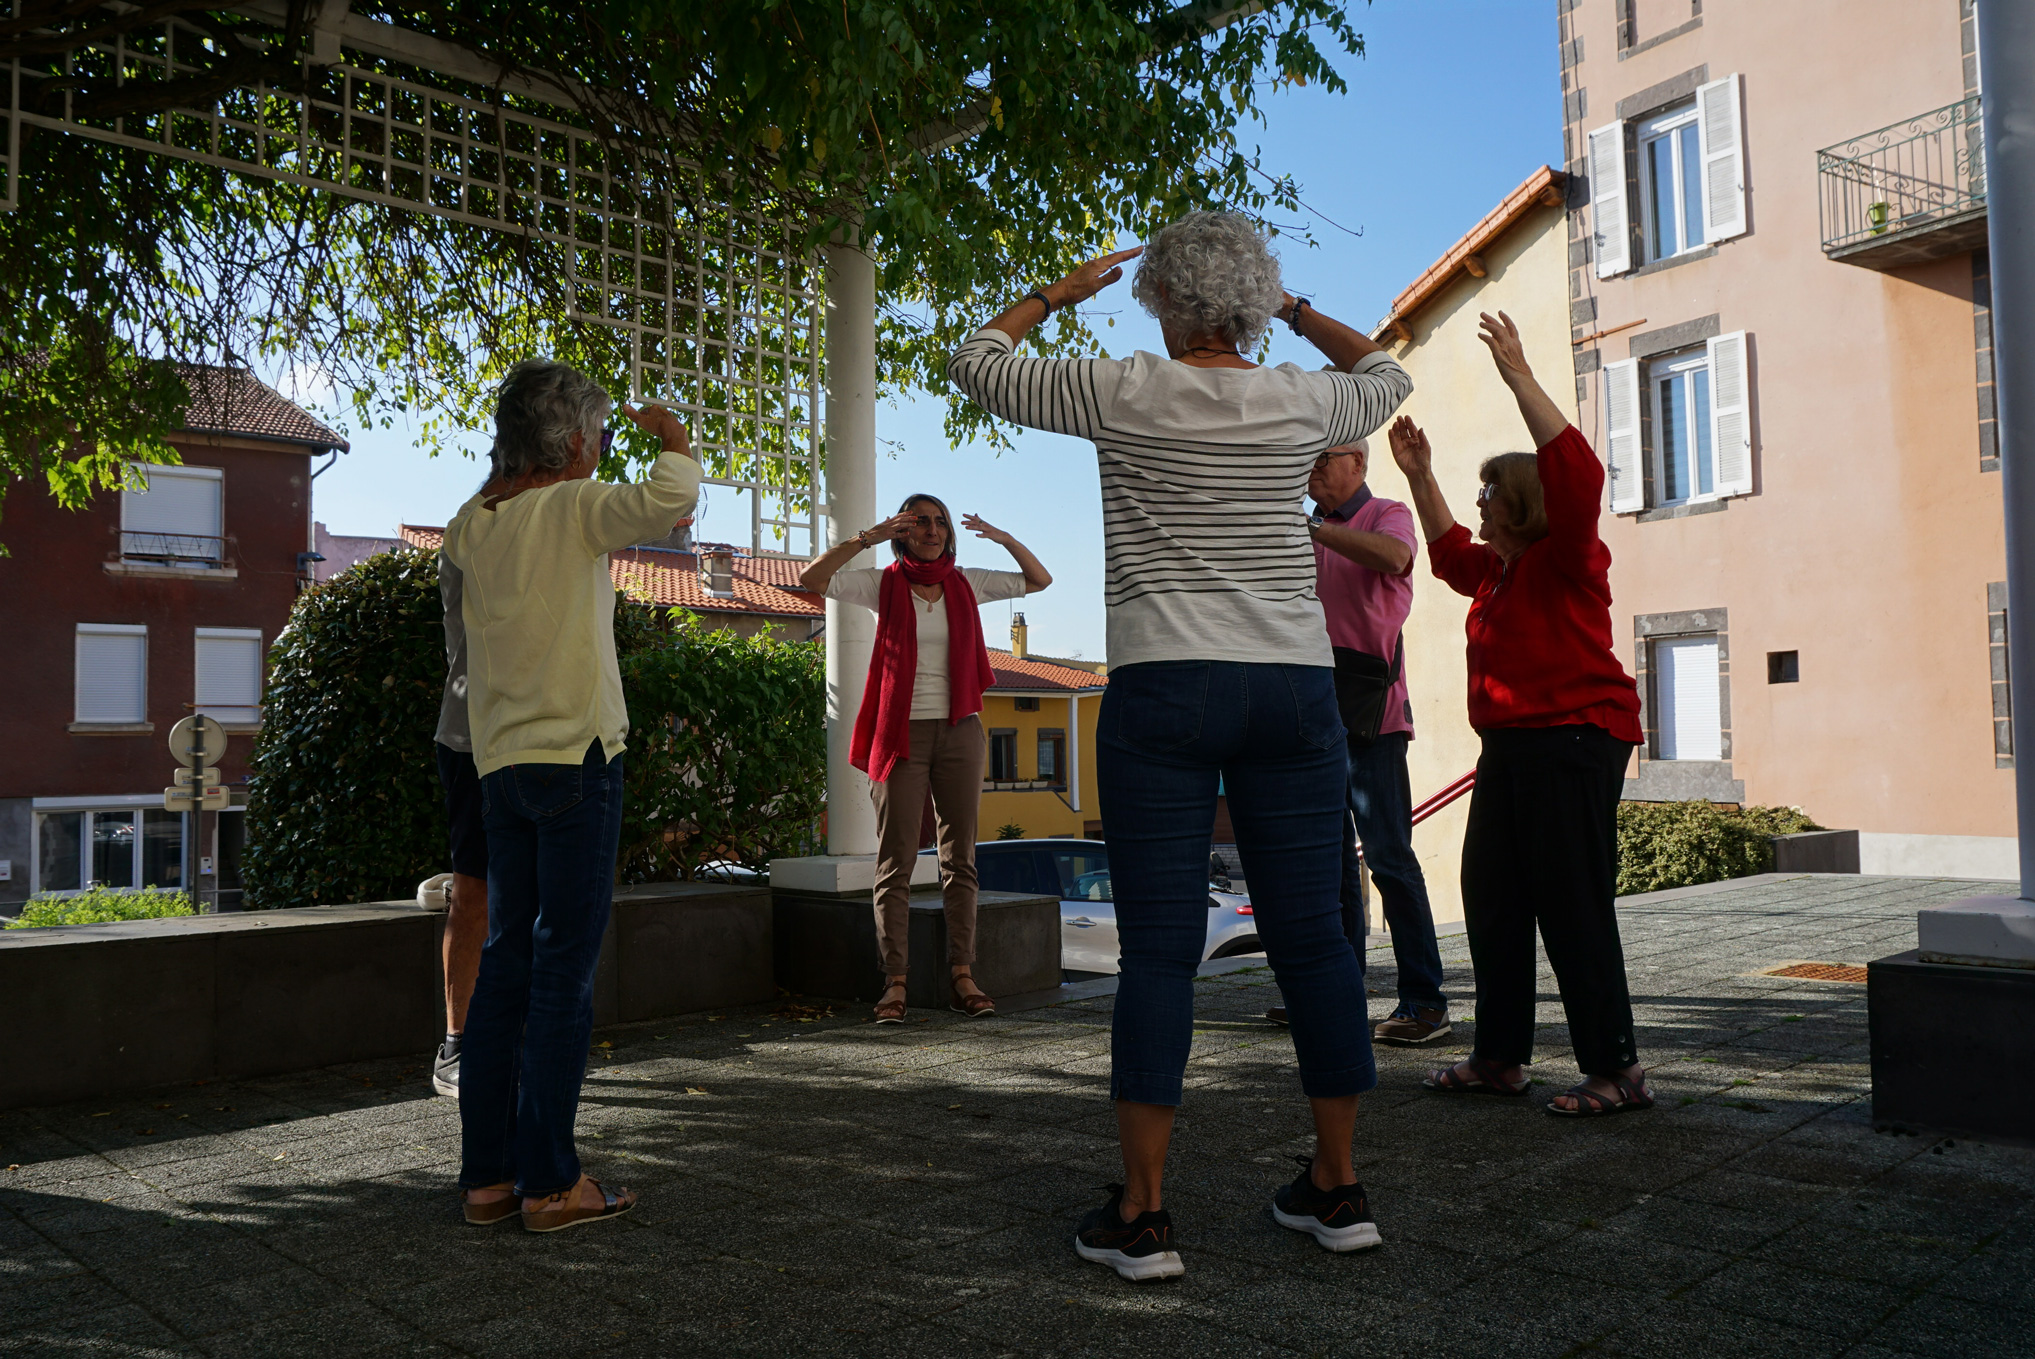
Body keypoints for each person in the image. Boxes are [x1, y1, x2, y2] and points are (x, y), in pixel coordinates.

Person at [948, 211, 1413, 1280]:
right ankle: (1337, 1190)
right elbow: (1389, 370)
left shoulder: (1120, 388)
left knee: (1157, 951)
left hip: (1162, 685)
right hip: (1293, 691)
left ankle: (1145, 1215)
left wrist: (1060, 294)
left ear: (1156, 303)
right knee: (1316, 941)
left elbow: (975, 361)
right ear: (1251, 307)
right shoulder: (1303, 398)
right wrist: (1293, 311)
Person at [445, 359, 698, 1231]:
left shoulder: (469, 525)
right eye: (595, 432)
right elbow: (668, 499)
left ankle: (487, 1179)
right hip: (578, 762)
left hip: (500, 767)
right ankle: (551, 1183)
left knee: (506, 967)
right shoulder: (573, 508)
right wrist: (672, 438)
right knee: (563, 974)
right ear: (569, 438)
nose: (600, 447)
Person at [1388, 311, 1651, 1118]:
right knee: (1492, 895)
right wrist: (1420, 474)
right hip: (1510, 746)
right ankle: (1499, 1058)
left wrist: (1518, 376)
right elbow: (1447, 554)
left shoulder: (1566, 557)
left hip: (1575, 737)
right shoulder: (1497, 573)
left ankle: (1616, 1072)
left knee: (1571, 902)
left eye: (1487, 492)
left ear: (1520, 503)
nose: (1478, 501)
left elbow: (1576, 474)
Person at [798, 497, 1052, 1022]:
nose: (931, 529)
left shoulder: (967, 582)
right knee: (896, 859)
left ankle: (962, 973)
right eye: (919, 521)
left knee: (960, 856)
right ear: (902, 531)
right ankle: (895, 983)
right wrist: (865, 538)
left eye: (939, 521)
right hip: (900, 734)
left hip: (960, 730)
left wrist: (1003, 537)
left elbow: (1039, 579)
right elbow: (813, 579)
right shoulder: (881, 583)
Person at [1265, 436, 1451, 1045]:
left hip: (1373, 720)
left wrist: (1310, 531)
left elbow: (1395, 558)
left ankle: (1425, 1003)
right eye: (1308, 458)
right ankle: (1333, 995)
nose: (1312, 468)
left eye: (1323, 458)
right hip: (1311, 712)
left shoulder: (1386, 514)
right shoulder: (1308, 528)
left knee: (1390, 861)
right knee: (1327, 865)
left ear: (1358, 464)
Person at [428, 555, 487, 1099]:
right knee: (473, 892)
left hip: (541, 742)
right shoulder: (473, 529)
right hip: (473, 740)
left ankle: (513, 1040)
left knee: (534, 898)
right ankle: (457, 1045)